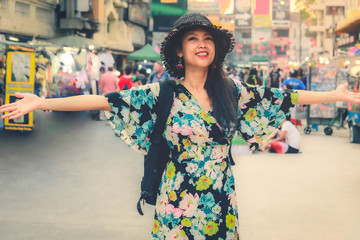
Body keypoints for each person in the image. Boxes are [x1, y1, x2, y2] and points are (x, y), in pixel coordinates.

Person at [1, 13, 360, 239]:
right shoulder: (163, 93)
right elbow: (104, 101)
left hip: (221, 199)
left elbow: (284, 98)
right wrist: (42, 101)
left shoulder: (232, 91)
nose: (202, 44)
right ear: (179, 50)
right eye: (193, 38)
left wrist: (337, 95)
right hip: (177, 200)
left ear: (216, 49)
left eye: (208, 39)